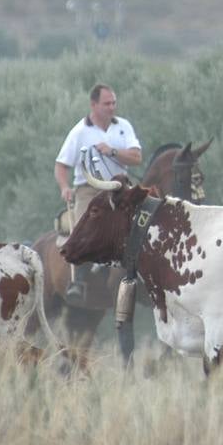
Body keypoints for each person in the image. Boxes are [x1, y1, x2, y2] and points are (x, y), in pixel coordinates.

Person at [55, 83, 142, 305]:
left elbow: (136, 158)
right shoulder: (79, 132)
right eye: (107, 103)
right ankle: (78, 279)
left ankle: (143, 270)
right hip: (89, 189)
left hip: (119, 189)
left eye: (114, 102)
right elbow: (61, 165)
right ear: (94, 105)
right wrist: (65, 187)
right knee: (85, 226)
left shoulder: (124, 126)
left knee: (142, 224)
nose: (112, 107)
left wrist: (112, 151)